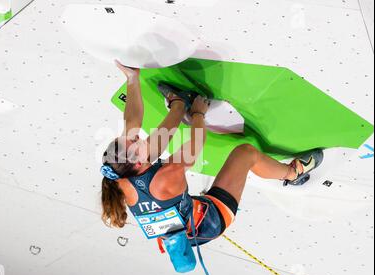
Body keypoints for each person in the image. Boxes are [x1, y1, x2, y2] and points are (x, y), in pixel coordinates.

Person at [100, 60, 324, 246]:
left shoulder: (122, 169)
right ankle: (293, 174)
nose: (136, 136)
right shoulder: (164, 177)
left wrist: (132, 78)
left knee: (150, 146)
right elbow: (196, 142)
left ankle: (179, 103)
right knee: (245, 154)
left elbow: (131, 123)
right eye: (134, 143)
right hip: (209, 221)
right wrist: (198, 113)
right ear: (137, 163)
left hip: (177, 211)